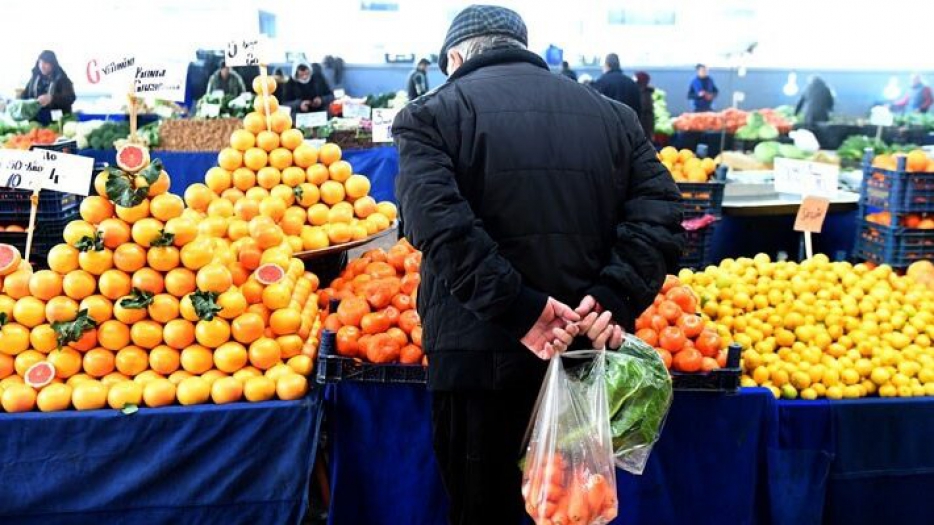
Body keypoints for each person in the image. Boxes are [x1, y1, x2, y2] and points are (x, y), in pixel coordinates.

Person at [392, 5, 683, 524]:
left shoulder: (430, 114)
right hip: (584, 359)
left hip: (478, 359)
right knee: (572, 508)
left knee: (483, 506)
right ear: (521, 46)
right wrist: (613, 297)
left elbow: (437, 225)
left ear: (455, 57)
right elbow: (661, 212)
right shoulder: (612, 115)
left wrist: (519, 308)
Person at [21, 50, 75, 124]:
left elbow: (71, 97)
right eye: (40, 62)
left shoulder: (62, 79)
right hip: (36, 120)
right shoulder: (35, 78)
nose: (42, 66)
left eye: (46, 63)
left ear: (52, 64)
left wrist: (52, 99)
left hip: (56, 121)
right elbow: (25, 96)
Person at [635, 71, 655, 139]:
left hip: (643, 125)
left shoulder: (644, 93)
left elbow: (647, 111)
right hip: (644, 126)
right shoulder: (647, 92)